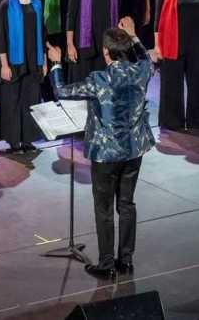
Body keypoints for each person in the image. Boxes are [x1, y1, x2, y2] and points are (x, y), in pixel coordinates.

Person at [48, 17, 154, 278]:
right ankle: (125, 260)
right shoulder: (141, 71)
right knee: (127, 204)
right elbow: (148, 59)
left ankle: (107, 264)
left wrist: (56, 64)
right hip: (133, 151)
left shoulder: (99, 79)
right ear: (126, 49)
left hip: (106, 155)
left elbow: (62, 90)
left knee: (104, 208)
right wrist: (135, 36)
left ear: (106, 52)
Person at [0, 0, 45, 153]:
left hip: (33, 60)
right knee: (13, 101)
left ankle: (28, 140)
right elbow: (1, 36)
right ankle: (14, 141)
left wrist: (44, 60)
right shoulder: (6, 5)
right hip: (14, 61)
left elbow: (42, 31)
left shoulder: (37, 4)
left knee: (31, 100)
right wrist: (5, 64)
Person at [152, 0, 199, 131]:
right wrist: (157, 46)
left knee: (196, 84)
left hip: (196, 46)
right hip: (173, 44)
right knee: (172, 84)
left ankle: (195, 121)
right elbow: (157, 22)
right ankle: (172, 121)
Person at [66, 0, 119, 82]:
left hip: (106, 42)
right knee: (85, 83)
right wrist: (70, 44)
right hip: (85, 42)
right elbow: (71, 16)